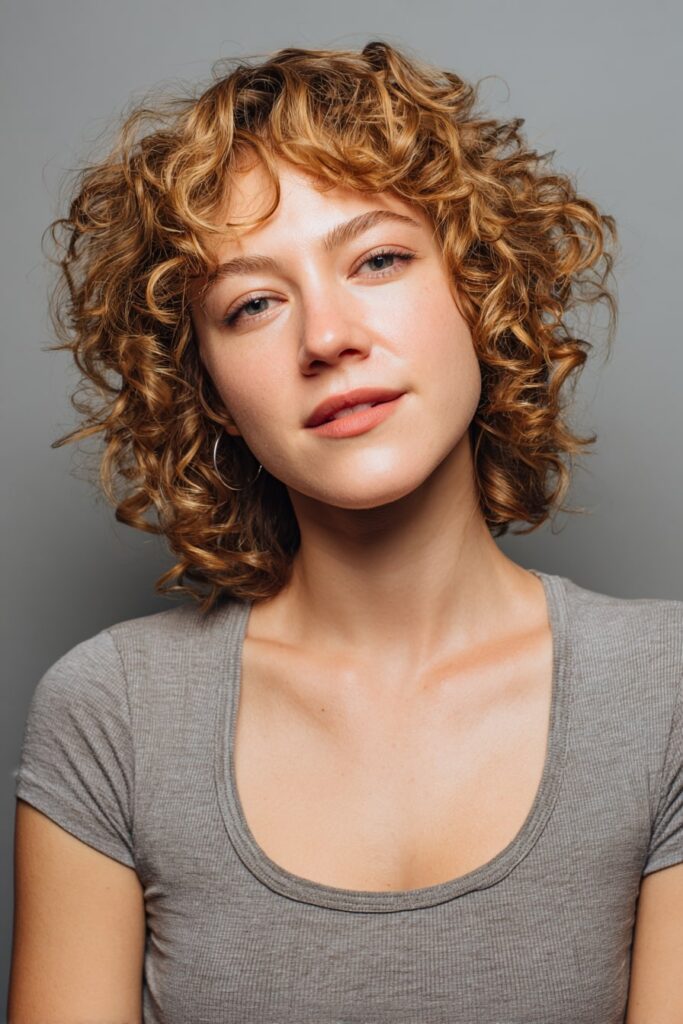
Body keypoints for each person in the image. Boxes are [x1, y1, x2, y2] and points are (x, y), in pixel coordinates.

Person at [7, 39, 682, 1024]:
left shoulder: (663, 693)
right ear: (213, 392)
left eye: (377, 258)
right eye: (251, 304)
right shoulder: (111, 714)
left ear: (476, 289)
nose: (325, 337)